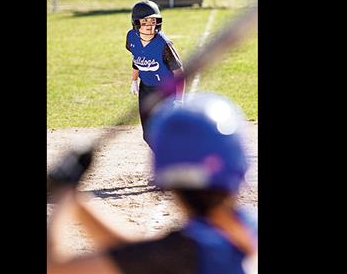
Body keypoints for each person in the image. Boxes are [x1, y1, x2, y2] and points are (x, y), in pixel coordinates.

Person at [47, 92, 257, 274]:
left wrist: (64, 195)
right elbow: (137, 256)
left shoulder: (182, 252)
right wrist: (77, 199)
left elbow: (54, 266)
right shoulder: (247, 229)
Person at [126, 0, 185, 147]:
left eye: (153, 21)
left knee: (166, 130)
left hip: (165, 90)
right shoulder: (131, 38)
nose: (149, 26)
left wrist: (179, 100)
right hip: (146, 88)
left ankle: (175, 160)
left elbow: (179, 72)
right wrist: (134, 80)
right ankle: (168, 159)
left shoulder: (164, 44)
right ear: (136, 23)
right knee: (148, 135)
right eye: (145, 22)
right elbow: (136, 58)